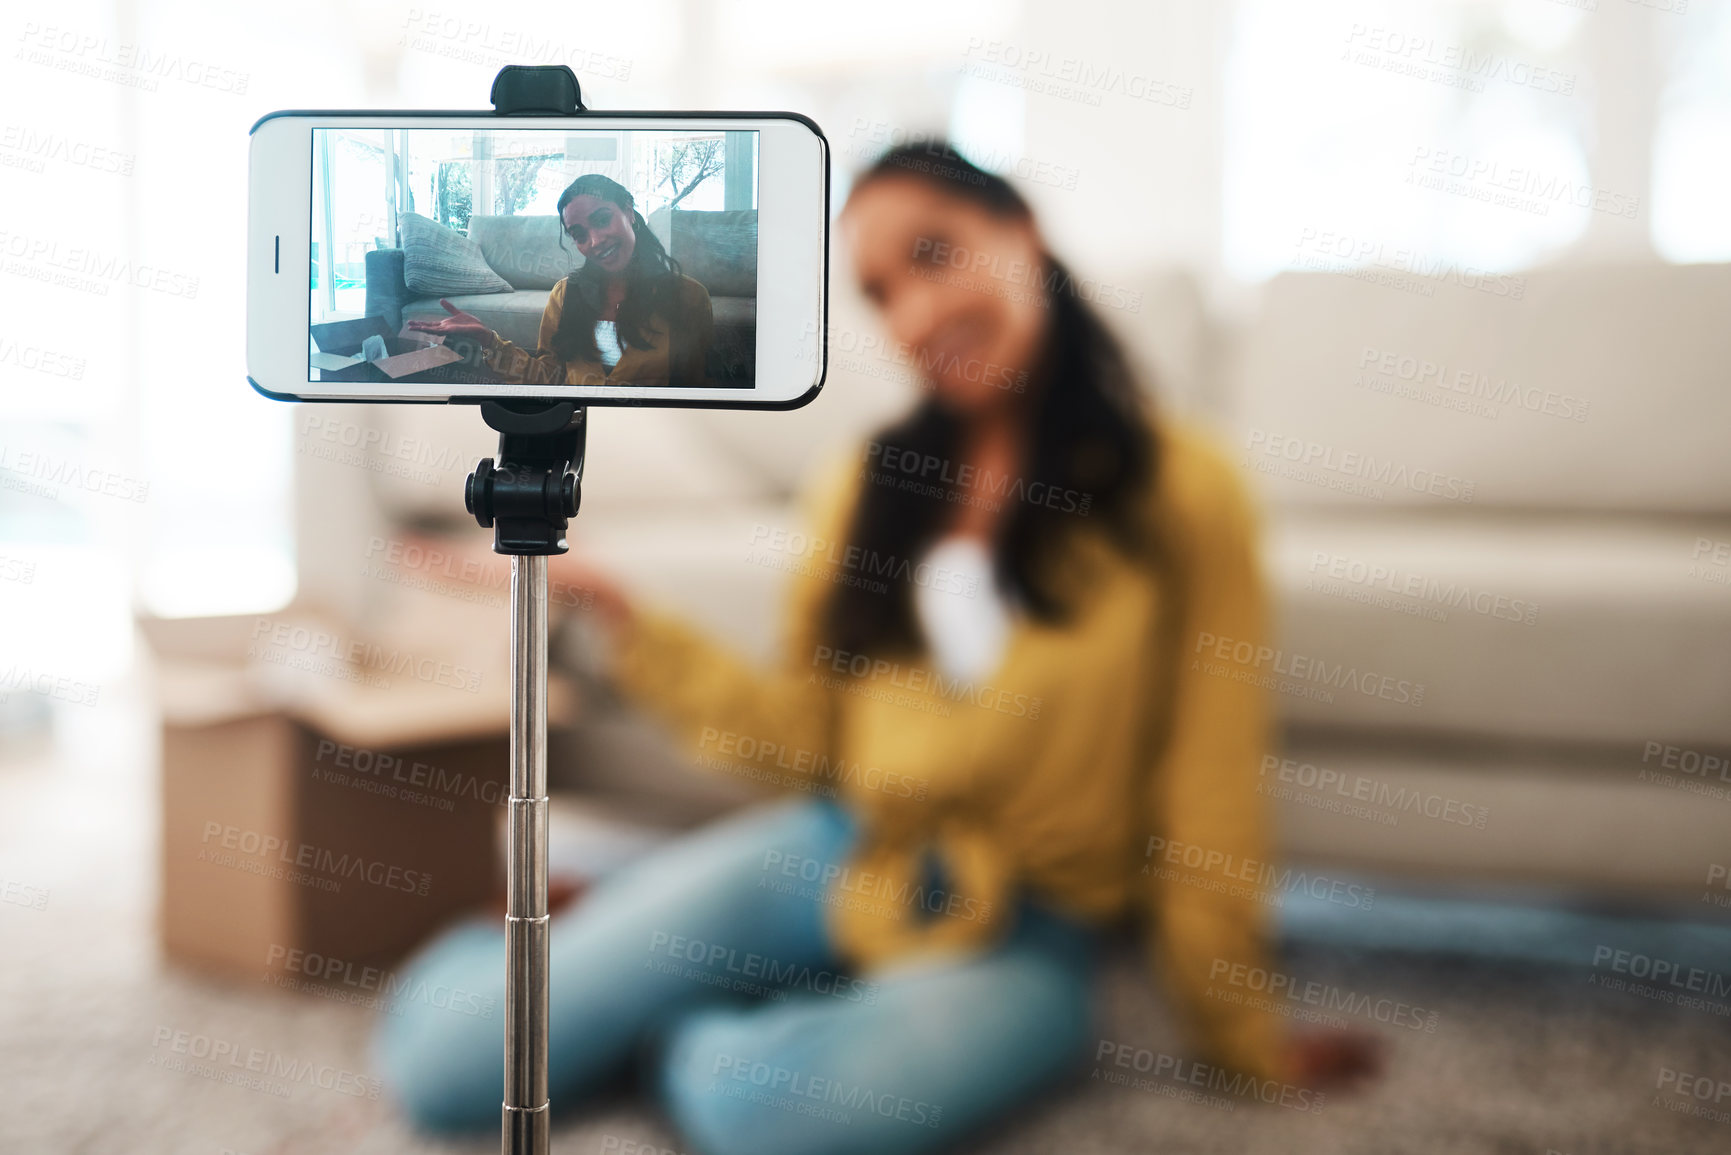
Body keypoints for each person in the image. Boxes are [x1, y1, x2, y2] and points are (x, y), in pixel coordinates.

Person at [374, 144, 1378, 1155]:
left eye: (936, 255)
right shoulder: (869, 483)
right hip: (837, 850)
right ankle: (621, 951)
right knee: (450, 1067)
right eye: (880, 293)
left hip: (1028, 928)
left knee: (759, 1111)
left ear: (1021, 230)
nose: (914, 317)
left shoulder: (1186, 488)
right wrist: (619, 609)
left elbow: (1210, 781)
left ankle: (669, 996)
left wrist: (1238, 1035)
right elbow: (806, 736)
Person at [408, 173, 715, 388]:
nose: (594, 241)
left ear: (629, 212)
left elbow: (693, 390)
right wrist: (488, 339)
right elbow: (549, 377)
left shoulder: (688, 297)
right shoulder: (566, 294)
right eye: (579, 234)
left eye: (602, 219)